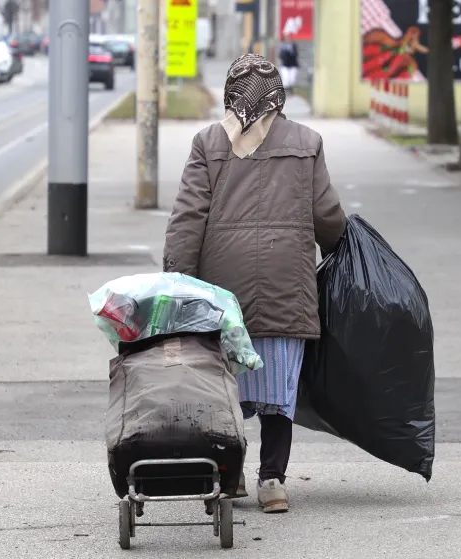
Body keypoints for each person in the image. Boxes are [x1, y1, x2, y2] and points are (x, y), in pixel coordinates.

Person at [162, 54, 346, 514]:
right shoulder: (307, 142)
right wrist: (343, 250)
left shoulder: (208, 142)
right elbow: (327, 217)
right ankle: (273, 482)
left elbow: (188, 219)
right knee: (278, 392)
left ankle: (230, 476)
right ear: (279, 97)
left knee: (223, 387)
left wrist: (177, 281)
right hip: (288, 285)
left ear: (230, 94)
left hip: (224, 294)